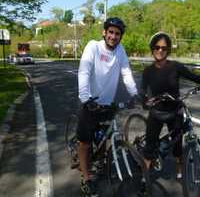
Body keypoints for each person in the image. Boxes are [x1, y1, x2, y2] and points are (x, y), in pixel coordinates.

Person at [77, 17, 138, 197]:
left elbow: (126, 72)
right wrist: (85, 98)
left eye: (117, 34)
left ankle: (102, 163)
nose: (113, 36)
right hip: (90, 103)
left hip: (107, 103)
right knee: (85, 143)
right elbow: (84, 70)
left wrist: (134, 93)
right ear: (104, 32)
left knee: (104, 138)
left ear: (120, 37)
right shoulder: (93, 46)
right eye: (110, 32)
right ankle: (87, 178)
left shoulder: (120, 51)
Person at [140, 31, 200, 180]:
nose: (160, 50)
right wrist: (145, 101)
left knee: (177, 145)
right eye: (157, 47)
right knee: (149, 146)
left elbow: (194, 77)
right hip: (157, 112)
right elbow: (143, 90)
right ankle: (144, 177)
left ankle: (180, 175)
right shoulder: (147, 71)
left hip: (175, 111)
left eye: (164, 48)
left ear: (168, 50)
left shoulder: (176, 66)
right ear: (152, 48)